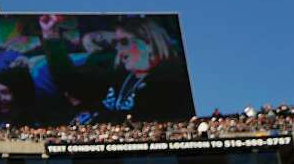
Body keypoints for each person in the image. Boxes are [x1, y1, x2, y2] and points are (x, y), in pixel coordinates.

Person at [39, 14, 192, 123]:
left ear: (149, 43)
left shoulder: (170, 80)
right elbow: (72, 83)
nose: (119, 50)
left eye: (124, 42)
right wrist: (51, 34)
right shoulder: (122, 76)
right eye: (117, 43)